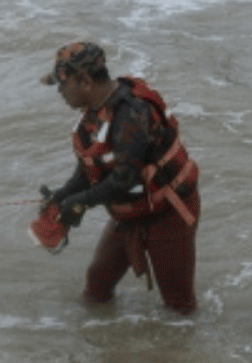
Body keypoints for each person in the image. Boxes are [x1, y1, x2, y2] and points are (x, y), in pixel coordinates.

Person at [37, 41, 202, 314]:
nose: (59, 92)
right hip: (130, 214)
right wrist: (61, 197)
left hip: (168, 213)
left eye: (62, 85)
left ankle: (184, 353)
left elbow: (124, 178)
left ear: (85, 81)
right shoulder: (94, 114)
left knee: (179, 304)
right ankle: (102, 343)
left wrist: (80, 203)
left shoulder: (131, 114)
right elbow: (89, 171)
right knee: (96, 286)